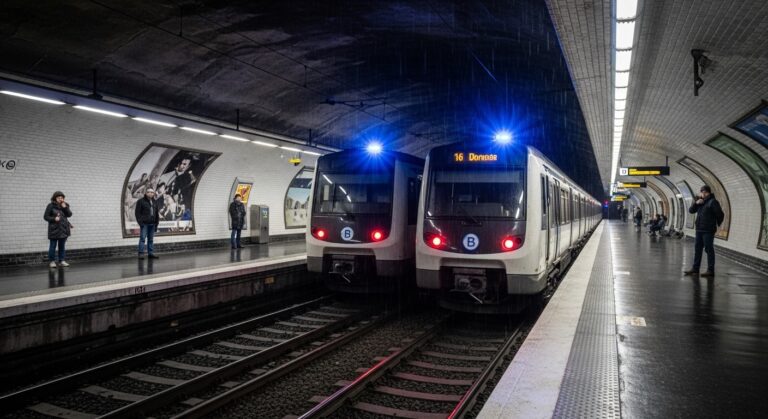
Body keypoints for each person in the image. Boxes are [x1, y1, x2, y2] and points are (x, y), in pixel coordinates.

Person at [685, 185, 724, 277]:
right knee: (697, 249)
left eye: (704, 192)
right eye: (702, 192)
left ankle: (710, 270)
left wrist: (716, 225)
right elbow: (691, 211)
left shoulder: (713, 202)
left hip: (708, 230)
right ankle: (695, 269)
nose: (702, 194)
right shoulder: (700, 202)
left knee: (708, 249)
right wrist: (696, 203)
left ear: (708, 192)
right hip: (699, 229)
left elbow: (720, 214)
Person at [44, 191, 73, 268]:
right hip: (54, 230)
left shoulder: (65, 205)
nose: (60, 199)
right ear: (55, 198)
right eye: (58, 198)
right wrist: (54, 218)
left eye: (62, 198)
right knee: (52, 246)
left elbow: (69, 214)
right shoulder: (50, 206)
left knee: (62, 246)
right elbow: (46, 217)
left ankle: (62, 261)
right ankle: (52, 261)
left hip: (63, 229)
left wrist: (65, 207)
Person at [135, 188, 160, 259]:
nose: (150, 193)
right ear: (145, 193)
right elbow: (137, 213)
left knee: (151, 239)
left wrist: (156, 224)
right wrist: (141, 223)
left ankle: (150, 253)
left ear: (153, 193)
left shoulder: (155, 202)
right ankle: (141, 254)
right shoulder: (141, 201)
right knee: (142, 238)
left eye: (152, 192)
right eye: (148, 192)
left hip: (152, 224)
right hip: (144, 224)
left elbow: (156, 214)